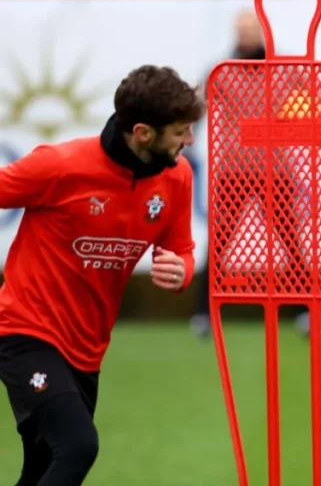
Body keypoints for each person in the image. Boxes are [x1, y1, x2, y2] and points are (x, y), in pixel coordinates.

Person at [0, 65, 201, 485]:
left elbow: (182, 249)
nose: (190, 140)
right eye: (181, 131)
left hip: (87, 349)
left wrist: (181, 269)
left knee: (40, 469)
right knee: (77, 445)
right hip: (25, 332)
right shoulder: (59, 166)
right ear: (143, 133)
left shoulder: (178, 177)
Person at [189, 8, 313, 340]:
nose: (246, 37)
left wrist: (298, 126)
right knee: (218, 245)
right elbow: (196, 109)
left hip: (275, 170)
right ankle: (204, 314)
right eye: (241, 31)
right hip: (234, 171)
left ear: (262, 34)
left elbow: (312, 102)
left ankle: (306, 314)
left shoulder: (284, 69)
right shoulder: (221, 71)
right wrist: (185, 140)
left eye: (250, 31)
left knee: (292, 244)